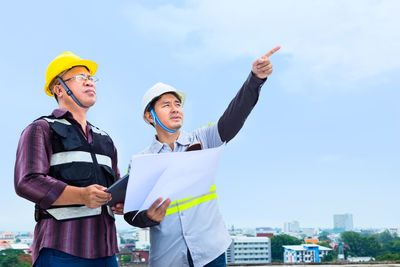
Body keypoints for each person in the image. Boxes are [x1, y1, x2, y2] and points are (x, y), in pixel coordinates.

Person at [124, 46, 280, 267]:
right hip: (168, 258)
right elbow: (131, 213)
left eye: (178, 104)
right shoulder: (140, 161)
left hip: (210, 252)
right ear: (150, 116)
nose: (175, 109)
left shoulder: (202, 140)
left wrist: (255, 79)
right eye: (166, 105)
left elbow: (235, 116)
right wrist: (148, 217)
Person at [14, 51, 124, 266]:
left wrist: (121, 201)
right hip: (61, 251)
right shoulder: (41, 129)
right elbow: (27, 181)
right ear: (59, 89)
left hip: (107, 253)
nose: (89, 82)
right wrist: (81, 195)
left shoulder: (105, 140)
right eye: (80, 77)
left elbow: (117, 187)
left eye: (91, 78)